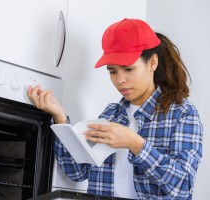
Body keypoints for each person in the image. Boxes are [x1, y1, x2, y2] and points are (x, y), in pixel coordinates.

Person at [27, 18, 203, 200]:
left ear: (152, 63)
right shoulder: (111, 114)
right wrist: (60, 117)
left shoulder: (182, 114)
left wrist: (135, 144)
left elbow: (183, 186)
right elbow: (77, 172)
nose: (120, 80)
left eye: (128, 69)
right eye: (112, 71)